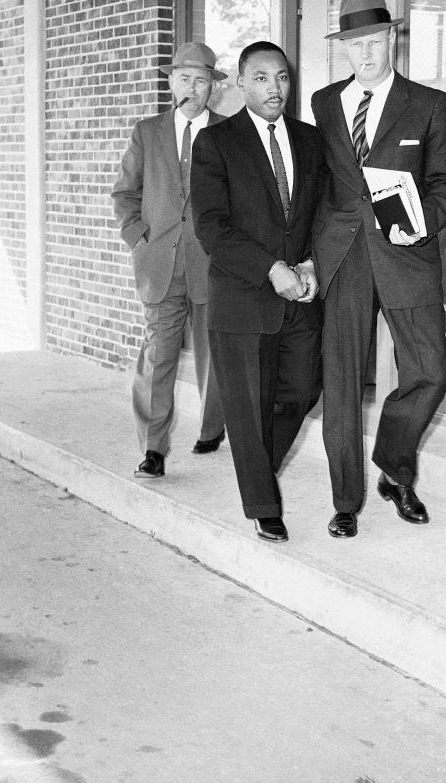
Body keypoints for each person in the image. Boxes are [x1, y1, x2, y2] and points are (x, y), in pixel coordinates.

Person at [310, 0, 446, 539]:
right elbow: (322, 185)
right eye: (355, 44)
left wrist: (422, 220)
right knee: (343, 381)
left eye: (374, 40)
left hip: (407, 253)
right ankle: (345, 498)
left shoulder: (429, 104)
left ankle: (394, 470)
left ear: (392, 39)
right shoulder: (324, 104)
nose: (366, 52)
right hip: (343, 257)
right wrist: (309, 258)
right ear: (344, 50)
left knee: (430, 369)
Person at [191, 41, 324, 543]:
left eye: (283, 78)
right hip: (243, 297)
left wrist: (310, 262)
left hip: (300, 296)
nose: (275, 88)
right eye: (263, 78)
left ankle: (256, 467)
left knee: (303, 389)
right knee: (247, 406)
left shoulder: (311, 141)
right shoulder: (216, 143)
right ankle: (263, 503)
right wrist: (271, 269)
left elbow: (322, 213)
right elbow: (212, 226)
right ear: (242, 83)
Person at [112, 42, 227, 478]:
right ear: (170, 81)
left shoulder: (229, 133)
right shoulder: (148, 132)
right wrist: (139, 239)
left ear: (212, 88)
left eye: (201, 81)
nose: (192, 88)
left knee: (216, 353)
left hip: (213, 266)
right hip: (159, 263)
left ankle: (210, 429)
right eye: (184, 79)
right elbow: (125, 194)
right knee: (158, 355)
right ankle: (153, 448)